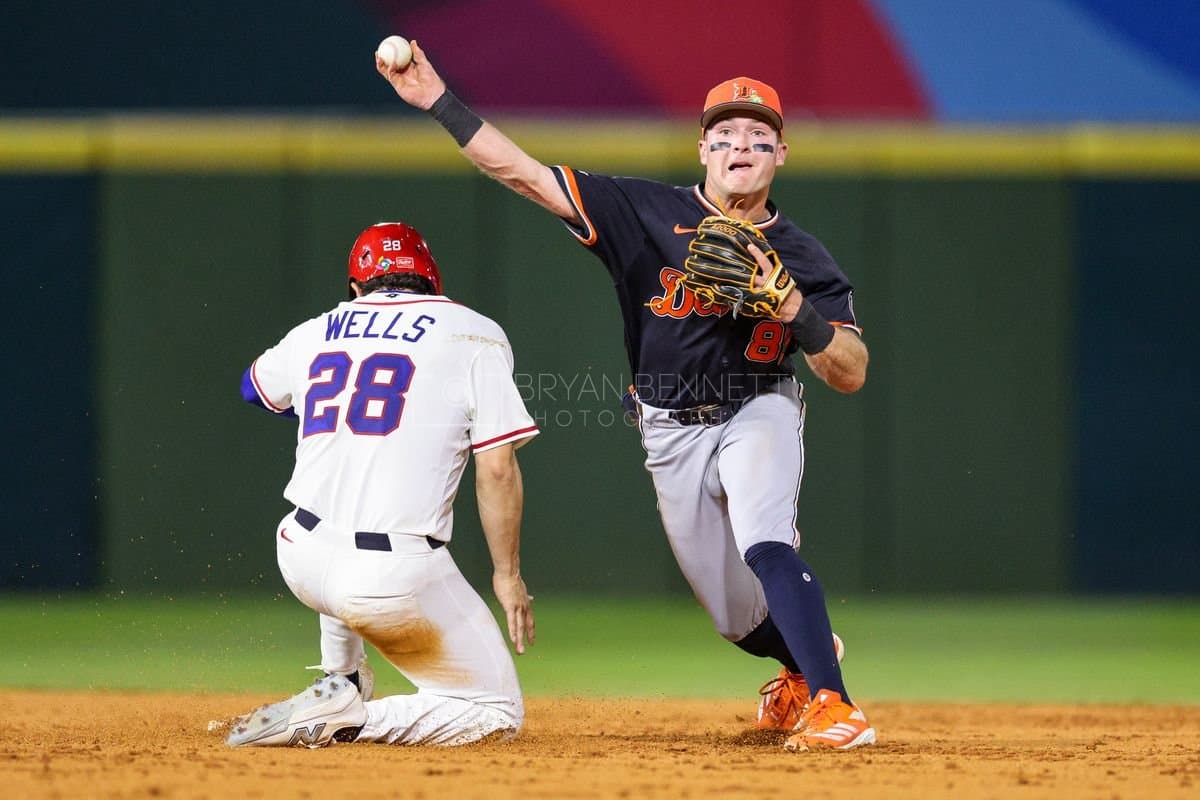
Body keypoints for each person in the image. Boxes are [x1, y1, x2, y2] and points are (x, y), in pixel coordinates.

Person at [377, 44, 875, 752]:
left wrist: (796, 308)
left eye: (758, 137)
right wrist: (438, 101)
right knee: (734, 618)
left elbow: (850, 370)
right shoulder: (644, 211)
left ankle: (836, 706)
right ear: (703, 147)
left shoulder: (803, 255)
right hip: (669, 427)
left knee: (765, 538)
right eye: (726, 134)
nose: (741, 146)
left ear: (781, 155)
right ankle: (802, 663)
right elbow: (521, 174)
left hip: (758, 405)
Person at [226, 221, 539, 747]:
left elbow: (253, 388)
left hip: (299, 555)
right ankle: (347, 719)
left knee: (341, 530)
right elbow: (498, 467)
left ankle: (340, 680)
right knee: (497, 712)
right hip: (389, 578)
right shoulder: (473, 332)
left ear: (356, 288)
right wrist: (507, 576)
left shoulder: (315, 330)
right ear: (433, 280)